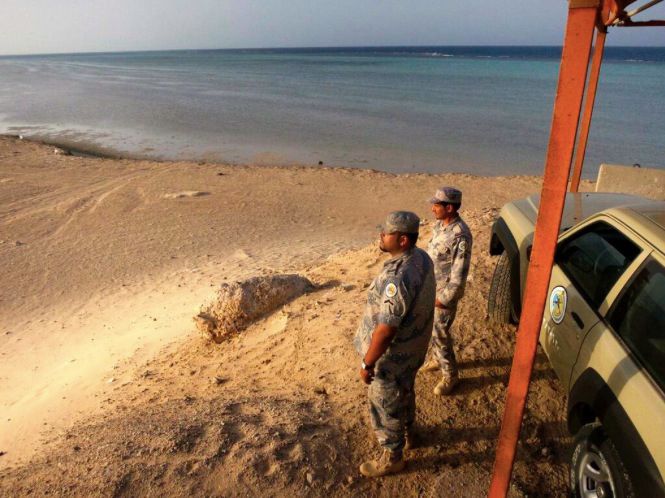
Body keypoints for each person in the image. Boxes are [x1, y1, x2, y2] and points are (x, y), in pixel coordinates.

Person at [353, 211, 436, 477]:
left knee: (384, 400)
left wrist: (368, 362)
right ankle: (411, 434)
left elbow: (387, 329)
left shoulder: (398, 278)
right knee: (405, 390)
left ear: (402, 240)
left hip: (393, 356)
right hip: (414, 348)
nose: (380, 236)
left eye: (385, 233)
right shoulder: (420, 258)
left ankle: (393, 456)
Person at [425, 187, 473, 395]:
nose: (433, 208)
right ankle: (437, 359)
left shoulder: (460, 235)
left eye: (437, 205)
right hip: (430, 290)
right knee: (432, 332)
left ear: (450, 207)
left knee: (440, 334)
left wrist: (444, 299)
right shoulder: (439, 226)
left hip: (443, 296)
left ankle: (450, 375)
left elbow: (459, 273)